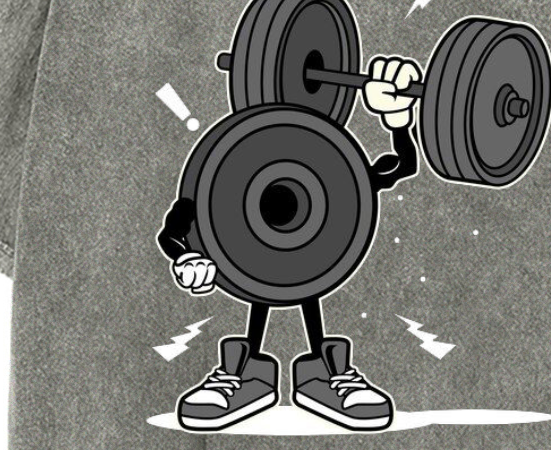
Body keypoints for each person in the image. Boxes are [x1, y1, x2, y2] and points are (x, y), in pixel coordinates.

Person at [158, 56, 421, 431]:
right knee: (264, 283)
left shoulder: (334, 161)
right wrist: (186, 258)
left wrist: (397, 119)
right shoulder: (222, 168)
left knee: (304, 278)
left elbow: (402, 165)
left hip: (314, 260)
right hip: (245, 261)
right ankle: (244, 372)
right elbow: (170, 232)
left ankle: (325, 373)